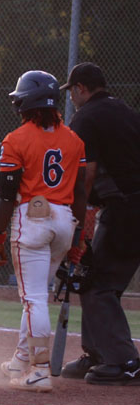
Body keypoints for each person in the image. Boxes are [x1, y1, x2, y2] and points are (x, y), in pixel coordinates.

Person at [0, 70, 86, 393]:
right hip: (64, 220)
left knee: (33, 299)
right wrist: (79, 237)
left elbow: (6, 195)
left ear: (25, 104)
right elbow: (81, 194)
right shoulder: (74, 140)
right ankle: (20, 360)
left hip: (33, 219)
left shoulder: (16, 139)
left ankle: (41, 370)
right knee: (36, 297)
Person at [58, 62, 140, 384]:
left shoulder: (86, 117)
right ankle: (98, 353)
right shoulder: (125, 111)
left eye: (72, 92)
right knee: (101, 283)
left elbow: (86, 174)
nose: (71, 98)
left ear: (81, 88)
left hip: (124, 210)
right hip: (128, 208)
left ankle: (123, 361)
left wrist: (76, 224)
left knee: (96, 283)